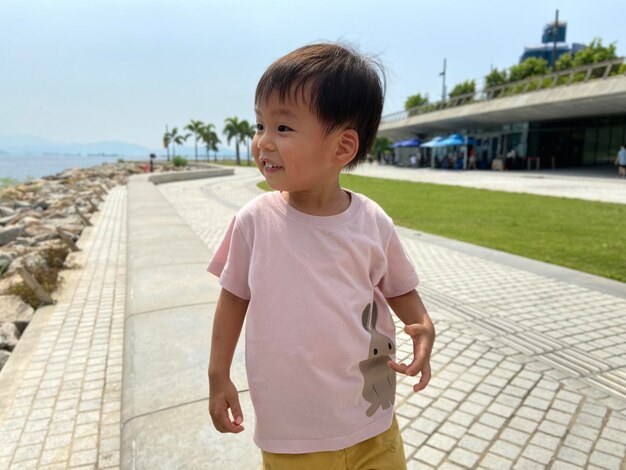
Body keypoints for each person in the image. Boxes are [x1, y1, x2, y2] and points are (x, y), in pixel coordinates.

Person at [207, 43, 435, 470]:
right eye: (260, 124)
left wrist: (422, 326)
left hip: (372, 421)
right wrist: (218, 375)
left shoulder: (371, 220)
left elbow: (400, 287)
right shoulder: (254, 221)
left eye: (283, 128)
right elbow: (233, 299)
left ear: (342, 147)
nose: (263, 143)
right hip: (294, 433)